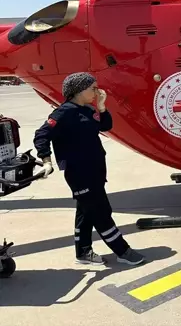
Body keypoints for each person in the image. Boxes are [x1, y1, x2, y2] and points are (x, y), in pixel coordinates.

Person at [33, 72, 145, 266]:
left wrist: (101, 107)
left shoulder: (86, 110)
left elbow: (105, 125)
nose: (97, 91)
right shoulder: (64, 112)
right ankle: (122, 250)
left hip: (95, 170)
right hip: (79, 173)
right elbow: (42, 135)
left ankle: (83, 252)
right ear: (78, 90)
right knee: (101, 211)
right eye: (92, 88)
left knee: (86, 211)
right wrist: (46, 160)